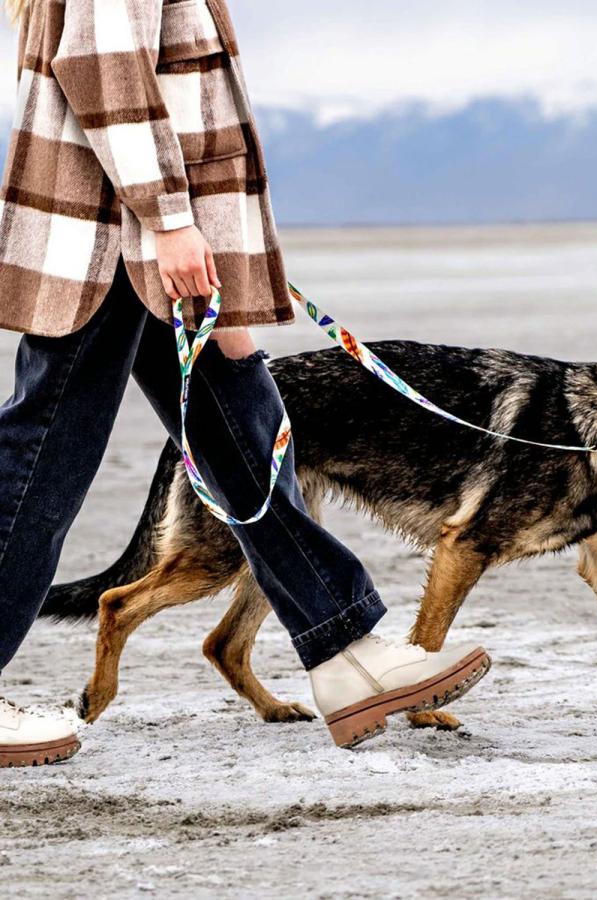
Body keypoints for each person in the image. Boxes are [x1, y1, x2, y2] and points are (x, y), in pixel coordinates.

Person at [0, 0, 489, 766]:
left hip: (159, 251)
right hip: (110, 241)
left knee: (250, 439)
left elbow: (190, 112)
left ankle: (345, 651)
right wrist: (168, 221)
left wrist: (226, 270)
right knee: (40, 463)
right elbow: (102, 66)